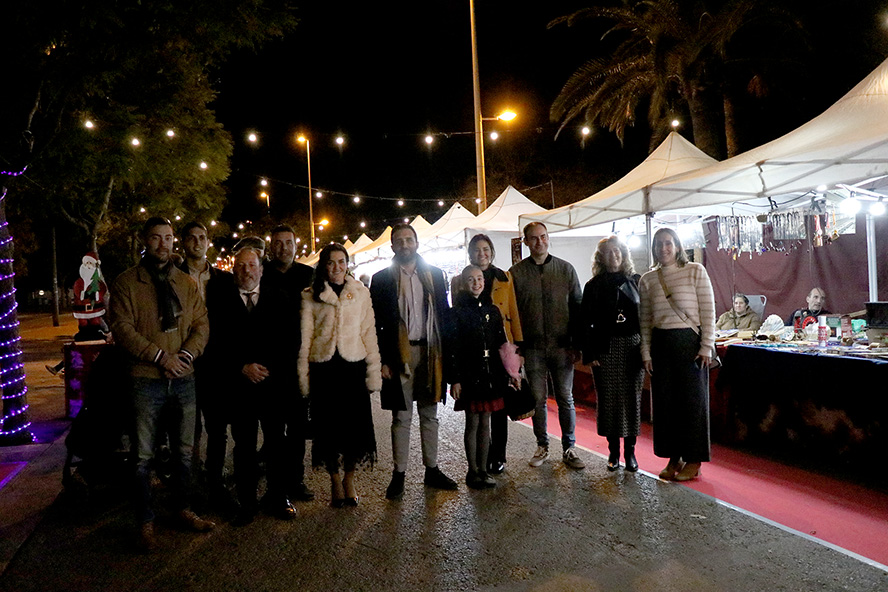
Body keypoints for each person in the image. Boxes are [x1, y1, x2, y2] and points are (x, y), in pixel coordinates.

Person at [109, 217, 213, 552]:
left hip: (184, 378)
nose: (163, 244)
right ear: (145, 240)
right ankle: (145, 521)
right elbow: (122, 327)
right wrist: (159, 357)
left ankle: (183, 508)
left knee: (185, 451)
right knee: (143, 456)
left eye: (168, 238)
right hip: (145, 379)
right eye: (156, 238)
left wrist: (185, 356)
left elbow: (201, 324)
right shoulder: (127, 283)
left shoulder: (185, 283)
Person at [206, 247, 299, 525]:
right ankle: (247, 502)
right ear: (234, 270)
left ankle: (279, 496)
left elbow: (290, 341)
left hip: (273, 385)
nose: (247, 271)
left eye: (252, 265)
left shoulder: (279, 298)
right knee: (244, 446)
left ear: (261, 269)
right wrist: (241, 367)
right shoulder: (220, 301)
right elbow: (215, 343)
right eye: (241, 266)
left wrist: (267, 369)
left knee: (276, 444)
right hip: (238, 388)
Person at [370, 223, 458, 500]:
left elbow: (443, 317)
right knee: (401, 416)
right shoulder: (381, 279)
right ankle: (399, 474)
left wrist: (450, 361)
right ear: (392, 246)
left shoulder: (435, 275)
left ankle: (432, 469)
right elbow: (376, 323)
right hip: (400, 354)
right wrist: (382, 360)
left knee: (430, 414)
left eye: (409, 239)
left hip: (431, 352)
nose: (405, 245)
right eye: (400, 241)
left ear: (417, 243)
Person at [298, 244, 381, 507]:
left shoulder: (360, 292)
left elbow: (369, 332)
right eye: (331, 262)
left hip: (353, 368)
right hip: (324, 370)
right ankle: (334, 480)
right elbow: (306, 338)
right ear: (323, 265)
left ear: (347, 264)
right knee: (328, 428)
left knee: (354, 428)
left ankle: (349, 479)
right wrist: (303, 374)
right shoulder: (310, 295)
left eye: (341, 262)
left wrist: (373, 370)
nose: (337, 267)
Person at [639, 227, 716, 482]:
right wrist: (646, 352)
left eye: (668, 243)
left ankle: (694, 459)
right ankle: (674, 457)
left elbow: (708, 311)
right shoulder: (647, 279)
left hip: (690, 344)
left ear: (677, 246)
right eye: (658, 244)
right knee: (665, 405)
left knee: (693, 403)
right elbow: (645, 320)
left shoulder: (695, 271)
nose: (663, 248)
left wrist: (706, 346)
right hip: (661, 345)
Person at [509, 222, 585, 470]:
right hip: (532, 348)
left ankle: (569, 447)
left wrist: (576, 343)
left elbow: (577, 307)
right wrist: (517, 349)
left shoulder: (565, 269)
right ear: (526, 242)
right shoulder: (516, 274)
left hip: (562, 347)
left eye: (543, 237)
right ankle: (542, 445)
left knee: (565, 398)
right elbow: (512, 312)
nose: (539, 242)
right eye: (533, 238)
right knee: (538, 399)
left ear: (548, 238)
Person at [450, 234, 522, 475]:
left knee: (494, 417)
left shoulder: (503, 280)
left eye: (486, 249)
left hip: (494, 366)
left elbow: (508, 323)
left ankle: (494, 459)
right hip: (472, 369)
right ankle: (475, 468)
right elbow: (454, 345)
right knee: (475, 421)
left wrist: (513, 366)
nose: (482, 253)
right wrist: (455, 378)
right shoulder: (458, 308)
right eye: (477, 250)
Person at [177, 221, 234, 510]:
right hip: (183, 361)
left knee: (217, 427)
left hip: (216, 365)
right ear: (183, 242)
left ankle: (215, 482)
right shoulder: (172, 277)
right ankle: (190, 486)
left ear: (208, 241)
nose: (197, 242)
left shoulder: (224, 280)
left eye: (202, 237)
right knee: (189, 429)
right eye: (192, 238)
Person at [260, 224, 315, 502]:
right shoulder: (261, 273)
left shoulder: (308, 275)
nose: (283, 248)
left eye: (288, 243)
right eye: (278, 243)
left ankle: (296, 480)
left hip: (299, 365)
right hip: (268, 365)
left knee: (297, 429)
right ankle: (275, 487)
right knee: (272, 431)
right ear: (271, 247)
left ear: (296, 245)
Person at [580, 236, 644, 472]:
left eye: (617, 251)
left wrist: (646, 349)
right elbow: (584, 322)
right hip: (604, 348)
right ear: (601, 257)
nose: (614, 255)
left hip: (633, 348)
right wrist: (590, 352)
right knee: (608, 400)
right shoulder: (593, 285)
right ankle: (613, 451)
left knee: (631, 399)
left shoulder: (636, 281)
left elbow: (646, 317)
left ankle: (630, 452)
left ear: (624, 254)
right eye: (608, 252)